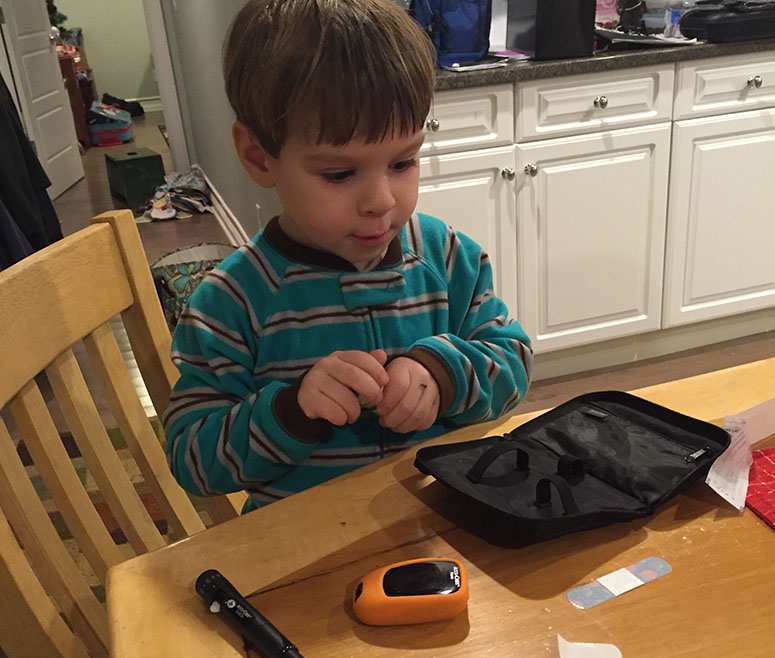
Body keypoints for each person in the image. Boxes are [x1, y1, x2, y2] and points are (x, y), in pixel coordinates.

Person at [164, 0, 533, 513]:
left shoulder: (448, 257)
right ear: (257, 156)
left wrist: (443, 375)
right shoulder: (231, 301)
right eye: (339, 174)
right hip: (305, 553)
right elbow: (191, 458)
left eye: (403, 161)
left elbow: (512, 361)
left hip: (445, 524)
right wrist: (291, 412)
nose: (381, 201)